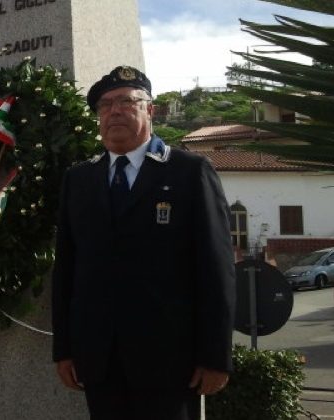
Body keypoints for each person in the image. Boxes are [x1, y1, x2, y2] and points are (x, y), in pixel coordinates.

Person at [51, 66, 236, 419]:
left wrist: (215, 356)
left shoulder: (189, 172)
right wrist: (64, 350)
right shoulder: (79, 179)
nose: (114, 111)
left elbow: (216, 269)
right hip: (98, 359)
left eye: (126, 101)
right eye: (105, 105)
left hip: (169, 359)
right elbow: (67, 272)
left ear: (150, 110)